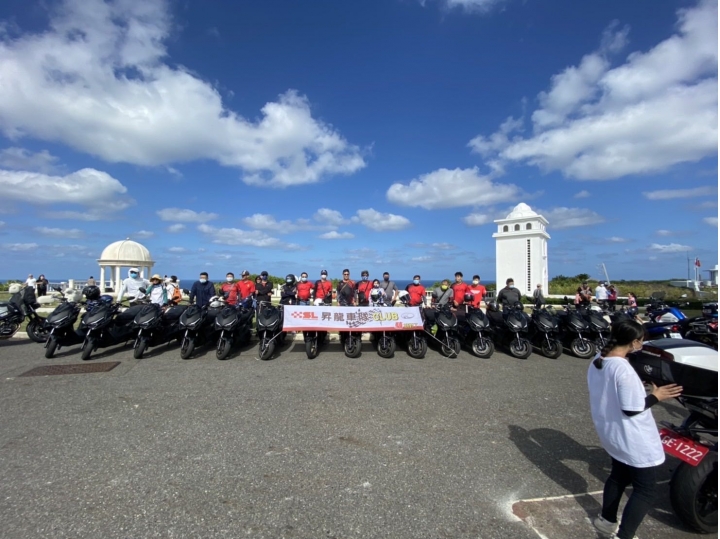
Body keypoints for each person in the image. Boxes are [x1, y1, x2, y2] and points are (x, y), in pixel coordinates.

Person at [588, 320, 683, 539]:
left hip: (612, 434)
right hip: (633, 439)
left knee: (618, 477)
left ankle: (606, 520)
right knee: (646, 490)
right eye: (641, 341)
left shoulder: (598, 359)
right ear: (634, 342)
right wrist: (656, 396)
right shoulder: (624, 370)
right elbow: (632, 409)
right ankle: (625, 535)